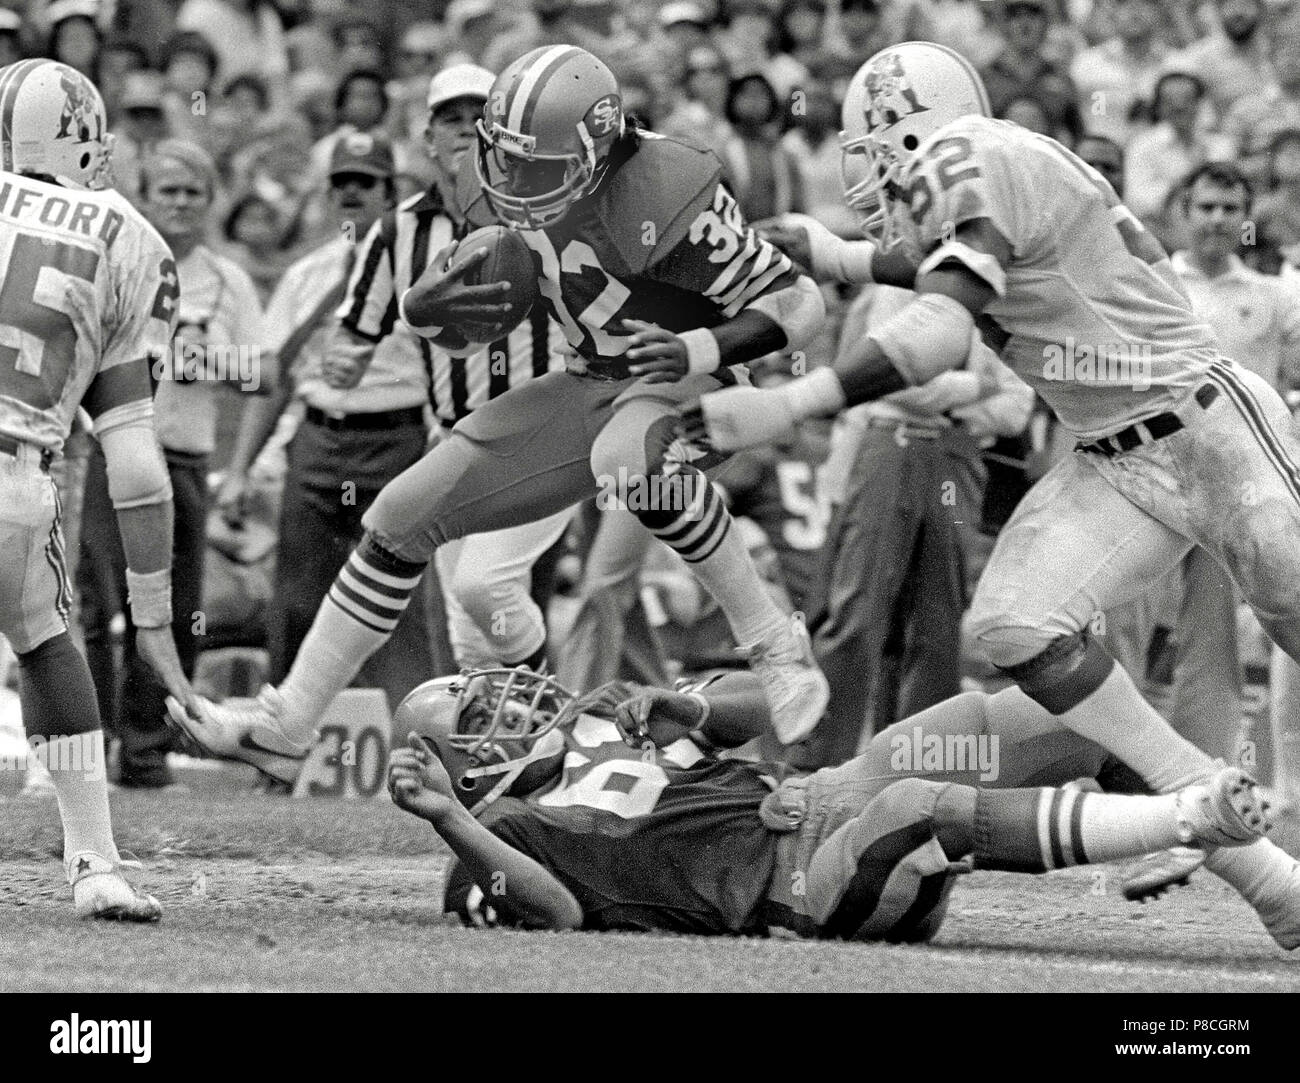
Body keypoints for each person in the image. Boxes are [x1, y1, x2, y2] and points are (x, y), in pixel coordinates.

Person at [688, 41, 1300, 948]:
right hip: (1116, 456)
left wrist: (788, 401)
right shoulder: (986, 163)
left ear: (899, 125)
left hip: (1206, 427)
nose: (862, 168)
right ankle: (1237, 840)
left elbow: (939, 327)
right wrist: (837, 256)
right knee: (1014, 622)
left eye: (865, 142)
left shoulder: (967, 157)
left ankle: (1222, 828)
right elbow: (962, 271)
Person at [169, 46, 830, 780]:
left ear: (598, 150)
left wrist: (697, 347)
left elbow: (800, 304)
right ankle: (287, 724)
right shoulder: (504, 190)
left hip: (685, 377)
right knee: (403, 512)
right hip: (591, 379)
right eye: (503, 158)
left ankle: (772, 640)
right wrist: (423, 310)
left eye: (536, 164)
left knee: (625, 457)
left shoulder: (666, 187)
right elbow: (462, 307)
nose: (512, 180)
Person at [386, 666, 1266, 938]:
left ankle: (1258, 877)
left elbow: (773, 706)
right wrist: (450, 822)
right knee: (923, 803)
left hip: (822, 795)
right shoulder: (490, 832)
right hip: (799, 884)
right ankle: (1183, 818)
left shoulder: (608, 722)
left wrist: (684, 707)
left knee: (1043, 715)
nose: (516, 700)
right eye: (483, 710)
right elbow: (561, 913)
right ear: (465, 763)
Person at [0, 59, 196, 917]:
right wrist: (153, 618)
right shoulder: (128, 236)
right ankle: (95, 864)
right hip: (13, 477)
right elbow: (140, 470)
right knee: (44, 641)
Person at [217, 131, 440, 720]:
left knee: (403, 599)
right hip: (318, 438)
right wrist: (239, 469)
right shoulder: (305, 276)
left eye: (364, 183)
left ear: (390, 193)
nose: (351, 195)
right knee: (294, 597)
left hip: (397, 439)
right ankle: (282, 736)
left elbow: (448, 369)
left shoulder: (424, 275)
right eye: (341, 183)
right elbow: (275, 380)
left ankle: (417, 739)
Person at [80, 138, 263, 790]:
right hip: (113, 449)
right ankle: (85, 747)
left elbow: (260, 371)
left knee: (180, 608)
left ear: (211, 201)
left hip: (185, 456)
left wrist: (201, 361)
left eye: (192, 192)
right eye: (167, 191)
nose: (180, 204)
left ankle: (147, 754)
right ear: (144, 198)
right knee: (99, 601)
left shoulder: (229, 278)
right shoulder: (119, 260)